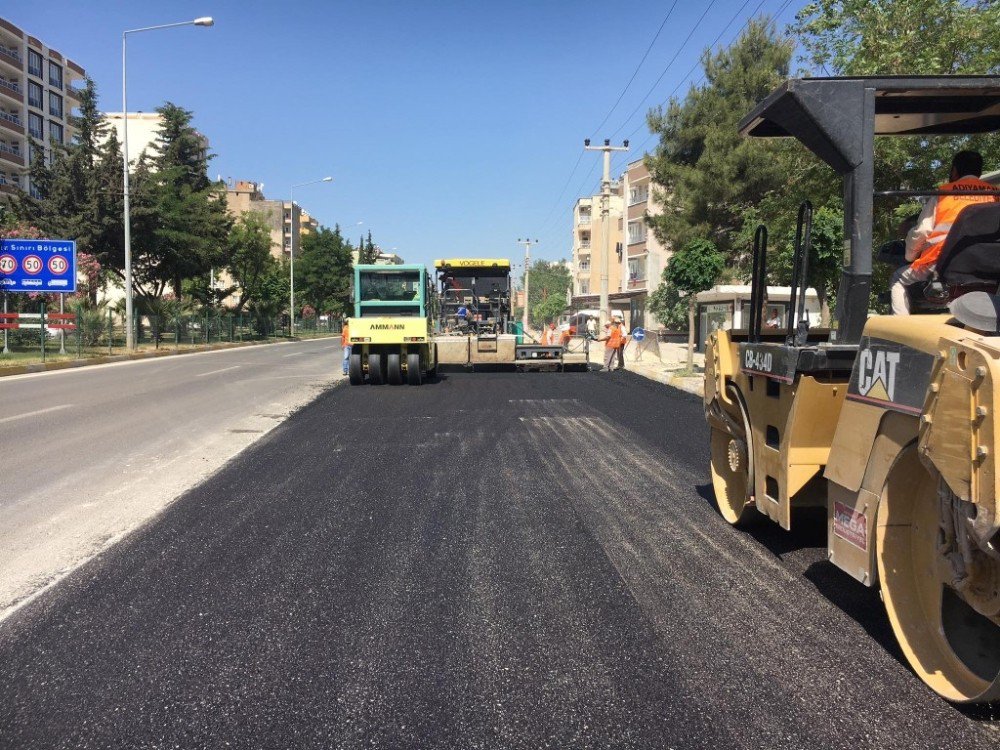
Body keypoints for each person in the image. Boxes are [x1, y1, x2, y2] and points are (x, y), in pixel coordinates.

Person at [890, 150, 1000, 315]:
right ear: (979, 170)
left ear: (954, 170)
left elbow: (922, 231)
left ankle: (899, 331)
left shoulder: (944, 194)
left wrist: (909, 256)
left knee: (898, 278)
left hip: (942, 264)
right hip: (988, 267)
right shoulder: (994, 195)